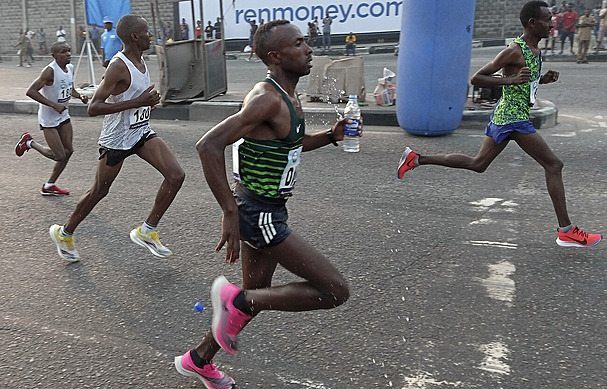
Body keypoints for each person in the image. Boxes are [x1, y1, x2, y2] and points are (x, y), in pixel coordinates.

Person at [173, 20, 354, 388]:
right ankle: (232, 301)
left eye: (306, 41)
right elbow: (208, 146)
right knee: (334, 290)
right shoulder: (267, 98)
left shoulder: (285, 94)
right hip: (260, 213)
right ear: (276, 56)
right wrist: (230, 213)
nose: (309, 48)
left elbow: (288, 145)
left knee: (251, 300)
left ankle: (198, 360)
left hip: (263, 208)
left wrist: (330, 137)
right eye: (299, 43)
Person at [397, 1, 602, 248]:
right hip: (512, 118)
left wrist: (542, 80)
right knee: (554, 164)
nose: (552, 23)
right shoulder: (515, 50)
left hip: (509, 115)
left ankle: (416, 159)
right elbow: (477, 78)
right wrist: (512, 80)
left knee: (478, 164)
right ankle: (566, 231)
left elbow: (526, 82)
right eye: (547, 19)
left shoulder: (535, 50)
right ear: (532, 23)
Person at [48, 15, 185, 262]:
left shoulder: (141, 59)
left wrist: (147, 104)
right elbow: (94, 107)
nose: (150, 35)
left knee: (176, 175)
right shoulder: (118, 65)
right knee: (99, 191)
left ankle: (147, 231)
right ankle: (64, 232)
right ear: (134, 37)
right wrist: (139, 102)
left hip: (141, 132)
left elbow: (130, 97)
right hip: (116, 139)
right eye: (146, 31)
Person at [15, 41, 88, 195]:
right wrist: (53, 105)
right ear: (54, 55)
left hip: (63, 115)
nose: (68, 54)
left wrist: (79, 95)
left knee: (68, 151)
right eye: (63, 51)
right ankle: (29, 142)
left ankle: (49, 186)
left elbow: (70, 89)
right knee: (60, 155)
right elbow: (31, 91)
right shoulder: (49, 71)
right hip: (48, 119)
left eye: (68, 51)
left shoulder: (70, 68)